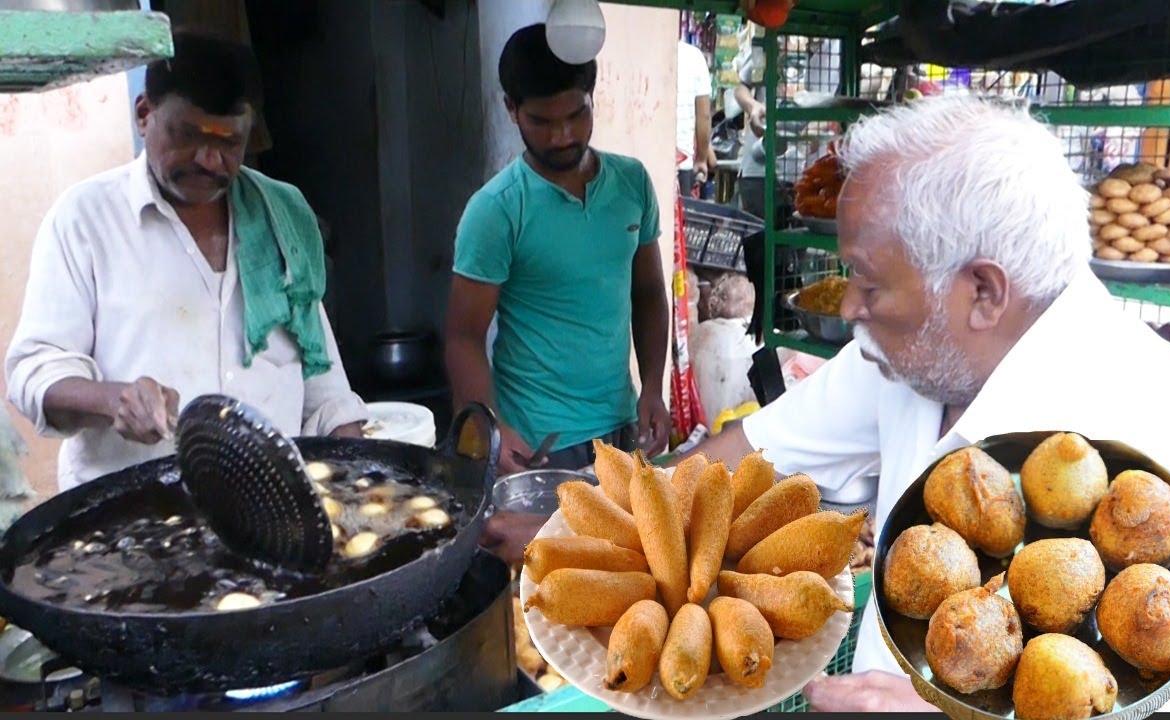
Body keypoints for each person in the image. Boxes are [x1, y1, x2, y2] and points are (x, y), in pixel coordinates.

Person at [675, 94, 1170, 711]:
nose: (850, 306)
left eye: (870, 282)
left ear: (982, 291)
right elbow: (738, 462)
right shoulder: (910, 355)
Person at [5, 32, 367, 492]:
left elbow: (323, 383)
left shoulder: (283, 217)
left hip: (268, 509)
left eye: (230, 142)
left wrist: (360, 478)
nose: (209, 160)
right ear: (144, 114)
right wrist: (113, 400)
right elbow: (35, 369)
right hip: (131, 516)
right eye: (188, 135)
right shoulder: (85, 218)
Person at [446, 23, 671, 479]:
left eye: (576, 114)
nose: (562, 135)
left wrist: (652, 387)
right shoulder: (496, 210)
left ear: (592, 94)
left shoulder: (633, 183)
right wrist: (491, 429)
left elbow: (647, 292)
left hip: (622, 429)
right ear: (511, 109)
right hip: (535, 444)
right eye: (542, 122)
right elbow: (463, 336)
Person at [676, 39, 715, 197]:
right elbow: (704, 116)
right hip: (681, 164)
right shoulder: (694, 57)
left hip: (645, 159)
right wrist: (701, 159)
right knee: (676, 218)